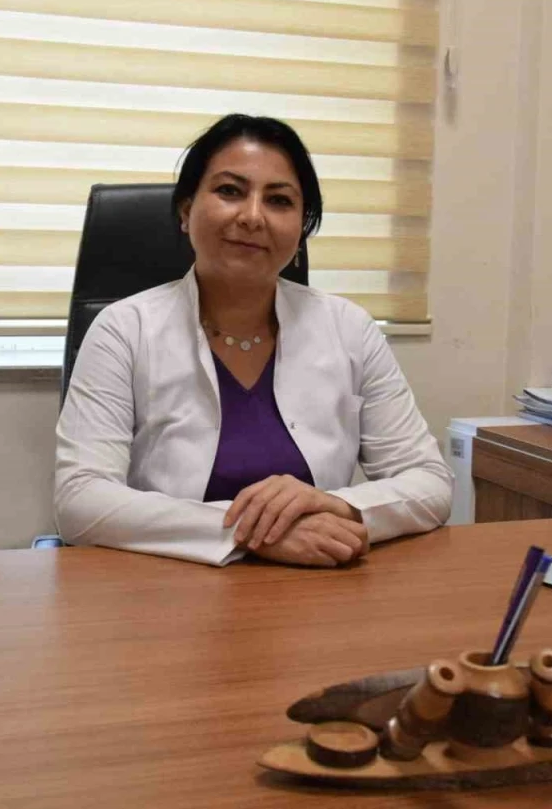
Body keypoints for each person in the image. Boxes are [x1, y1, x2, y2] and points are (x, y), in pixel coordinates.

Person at [54, 114, 453, 567]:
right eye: (230, 191)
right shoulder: (124, 330)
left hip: (319, 586)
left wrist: (338, 506)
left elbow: (430, 482)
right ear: (186, 211)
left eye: (279, 200)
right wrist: (252, 533)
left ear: (301, 229)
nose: (252, 216)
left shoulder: (349, 329)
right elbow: (80, 500)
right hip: (167, 590)